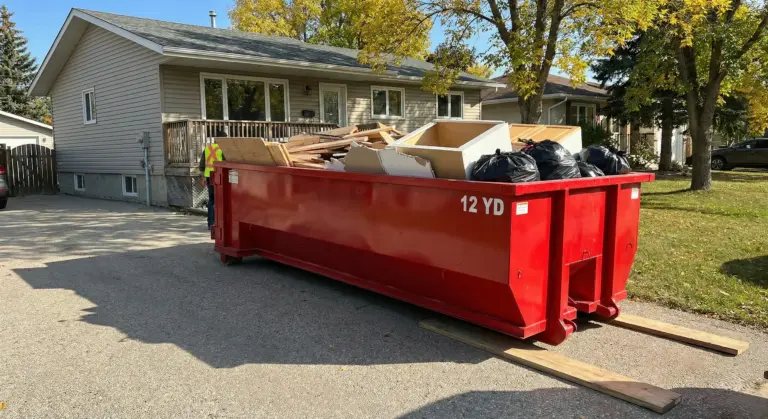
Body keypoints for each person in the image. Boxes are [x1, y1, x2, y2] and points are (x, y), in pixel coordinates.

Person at [199, 130, 226, 230]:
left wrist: (202, 177)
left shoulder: (207, 148)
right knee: (221, 200)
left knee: (212, 200)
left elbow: (201, 165)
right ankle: (219, 223)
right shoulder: (223, 149)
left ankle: (211, 223)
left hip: (209, 176)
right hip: (220, 176)